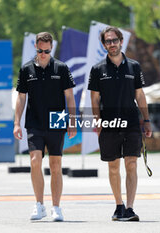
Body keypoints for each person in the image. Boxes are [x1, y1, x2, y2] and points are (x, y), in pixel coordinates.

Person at [88, 26, 152, 221]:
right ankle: (118, 206)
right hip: (108, 123)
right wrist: (97, 122)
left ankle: (130, 208)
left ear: (121, 41)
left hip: (132, 121)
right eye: (108, 41)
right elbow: (94, 100)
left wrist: (147, 120)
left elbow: (140, 95)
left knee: (131, 163)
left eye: (115, 40)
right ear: (104, 44)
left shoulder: (134, 66)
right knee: (113, 166)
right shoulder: (98, 69)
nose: (112, 44)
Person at [13, 32, 76, 221]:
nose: (43, 54)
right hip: (34, 121)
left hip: (57, 119)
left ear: (51, 48)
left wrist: (72, 121)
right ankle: (39, 205)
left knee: (55, 165)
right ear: (35, 46)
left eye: (46, 51)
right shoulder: (26, 69)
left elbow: (70, 97)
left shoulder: (62, 68)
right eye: (40, 50)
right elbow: (21, 97)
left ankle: (56, 207)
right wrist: (17, 123)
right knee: (34, 161)